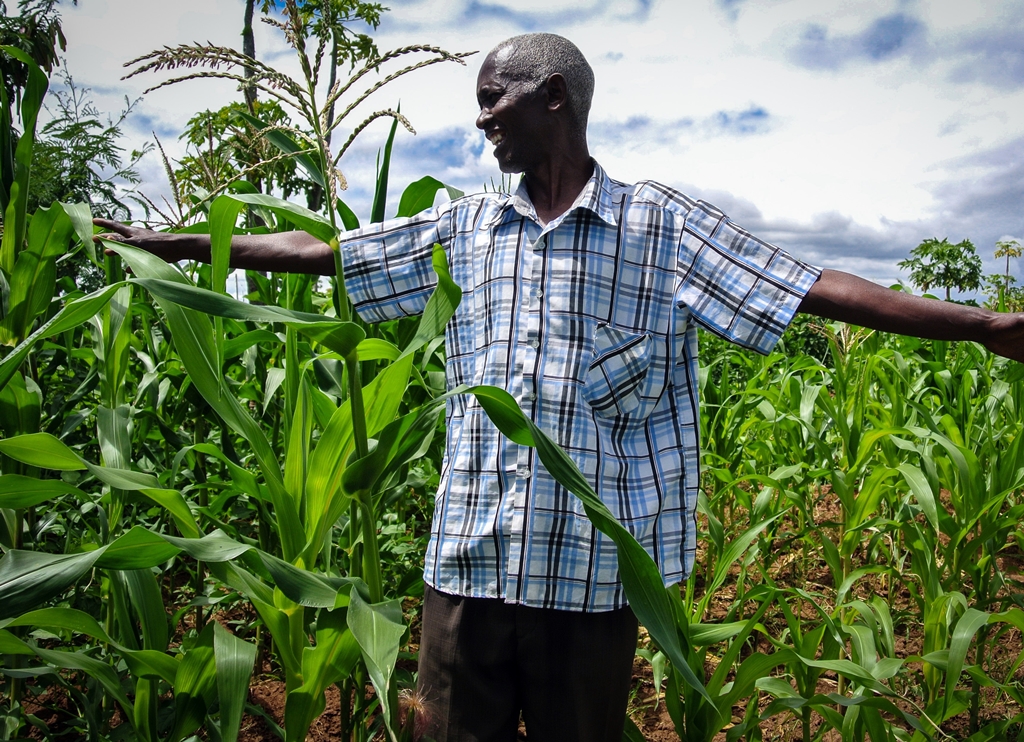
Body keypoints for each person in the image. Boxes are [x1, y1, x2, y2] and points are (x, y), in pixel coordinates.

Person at [96, 32, 1024, 742]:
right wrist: (180, 244)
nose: (482, 119)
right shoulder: (466, 229)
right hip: (468, 567)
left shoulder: (657, 228)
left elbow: (813, 288)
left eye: (493, 100)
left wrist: (987, 326)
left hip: (589, 584)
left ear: (554, 98)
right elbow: (325, 255)